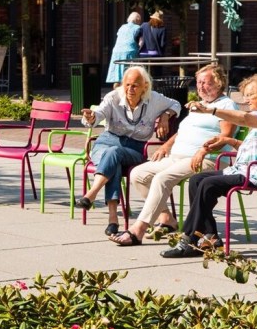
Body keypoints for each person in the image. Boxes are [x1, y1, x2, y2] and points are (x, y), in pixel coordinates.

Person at [161, 73, 257, 257]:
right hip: (247, 169)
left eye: (250, 95)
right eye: (245, 95)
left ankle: (188, 238)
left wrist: (211, 111)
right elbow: (254, 148)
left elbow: (244, 119)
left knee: (208, 184)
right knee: (197, 180)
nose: (246, 100)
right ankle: (210, 236)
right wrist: (229, 141)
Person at [110, 64, 238, 246]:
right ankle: (167, 219)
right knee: (138, 174)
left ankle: (138, 230)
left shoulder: (226, 105)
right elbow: (182, 131)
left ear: (218, 83)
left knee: (162, 178)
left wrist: (203, 150)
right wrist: (166, 146)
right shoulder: (198, 105)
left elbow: (225, 136)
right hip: (177, 157)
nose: (201, 87)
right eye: (199, 82)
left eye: (206, 83)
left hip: (207, 159)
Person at [74, 66, 181, 237]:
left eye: (135, 85)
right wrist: (91, 117)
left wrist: (165, 116)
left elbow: (176, 104)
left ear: (145, 86)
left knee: (113, 154)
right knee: (113, 159)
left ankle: (92, 195)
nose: (130, 89)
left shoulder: (154, 98)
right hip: (106, 142)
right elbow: (99, 114)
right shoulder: (113, 97)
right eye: (127, 85)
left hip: (135, 148)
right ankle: (112, 219)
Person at [106, 12, 142, 84]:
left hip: (117, 52)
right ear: (138, 20)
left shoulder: (122, 27)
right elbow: (141, 43)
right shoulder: (138, 28)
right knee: (130, 74)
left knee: (117, 75)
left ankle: (117, 86)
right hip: (130, 51)